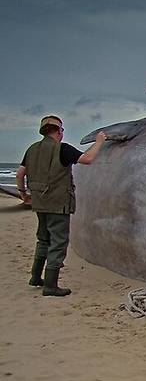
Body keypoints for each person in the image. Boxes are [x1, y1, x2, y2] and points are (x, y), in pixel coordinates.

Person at [16, 116, 107, 296]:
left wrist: (23, 194)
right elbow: (88, 159)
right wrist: (99, 142)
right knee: (58, 242)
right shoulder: (62, 149)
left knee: (43, 239)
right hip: (58, 204)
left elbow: (20, 174)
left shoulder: (32, 149)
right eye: (62, 130)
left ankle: (35, 277)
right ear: (58, 131)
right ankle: (50, 285)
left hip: (39, 203)